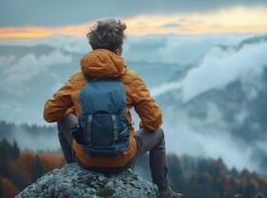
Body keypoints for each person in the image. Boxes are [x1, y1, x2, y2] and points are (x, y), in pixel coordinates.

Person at [43, 19, 183, 198]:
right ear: (118, 50)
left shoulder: (77, 80)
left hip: (85, 158)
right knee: (159, 134)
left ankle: (75, 167)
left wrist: (77, 112)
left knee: (62, 117)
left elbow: (49, 113)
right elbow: (153, 121)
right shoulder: (131, 79)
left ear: (92, 48)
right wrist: (129, 133)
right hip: (122, 158)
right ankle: (163, 191)